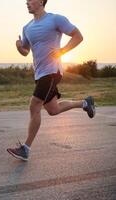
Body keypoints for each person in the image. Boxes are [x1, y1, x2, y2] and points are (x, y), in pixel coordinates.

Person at [7, 0, 95, 161]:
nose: (27, 2)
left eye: (30, 0)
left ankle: (25, 149)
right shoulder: (27, 27)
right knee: (53, 110)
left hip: (52, 71)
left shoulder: (55, 19)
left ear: (41, 1)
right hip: (39, 73)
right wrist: (18, 45)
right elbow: (25, 52)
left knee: (34, 105)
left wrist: (62, 51)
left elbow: (78, 36)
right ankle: (85, 103)